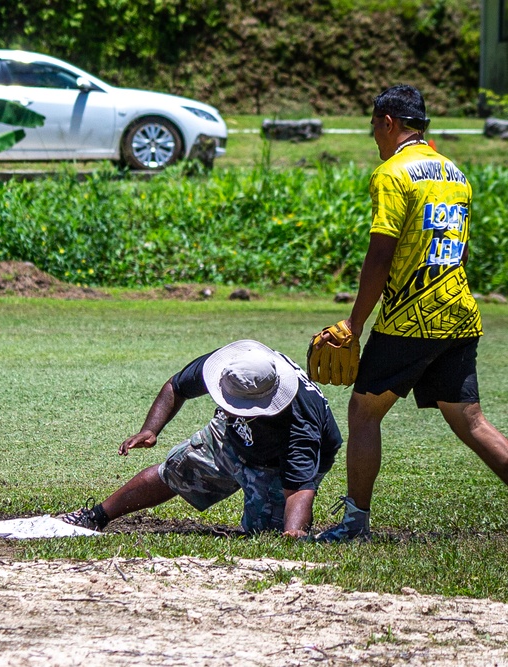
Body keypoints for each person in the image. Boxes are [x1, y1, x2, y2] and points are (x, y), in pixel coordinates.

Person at [314, 84, 508, 542]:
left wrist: (354, 324)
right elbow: (455, 251)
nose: (373, 138)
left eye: (373, 128)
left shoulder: (392, 173)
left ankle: (355, 525)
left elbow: (380, 255)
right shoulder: (455, 172)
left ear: (387, 122)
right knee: (471, 420)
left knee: (363, 413)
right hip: (458, 313)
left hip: (411, 318)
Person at [59, 340, 342, 538]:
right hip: (232, 437)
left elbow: (299, 490)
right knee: (175, 469)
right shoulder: (235, 366)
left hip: (276, 462)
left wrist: (294, 532)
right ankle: (95, 516)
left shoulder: (300, 428)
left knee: (268, 536)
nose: (229, 408)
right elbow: (176, 386)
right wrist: (150, 430)